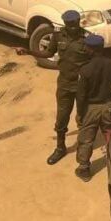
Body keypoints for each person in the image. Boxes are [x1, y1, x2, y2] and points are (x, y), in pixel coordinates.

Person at [74, 34, 111, 182]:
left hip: (91, 108)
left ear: (91, 50)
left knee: (86, 138)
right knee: (110, 134)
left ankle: (84, 168)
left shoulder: (85, 70)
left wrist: (80, 113)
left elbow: (81, 95)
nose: (85, 49)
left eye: (87, 47)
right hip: (109, 106)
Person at [45, 10, 91, 165]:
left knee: (83, 117)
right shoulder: (58, 36)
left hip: (82, 85)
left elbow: (95, 60)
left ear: (79, 22)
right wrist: (29, 51)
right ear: (65, 24)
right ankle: (60, 147)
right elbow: (48, 53)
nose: (72, 28)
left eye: (75, 24)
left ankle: (83, 149)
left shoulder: (87, 38)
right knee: (61, 117)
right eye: (69, 25)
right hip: (64, 84)